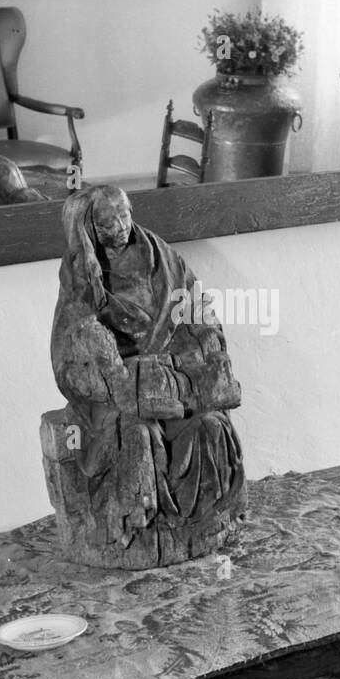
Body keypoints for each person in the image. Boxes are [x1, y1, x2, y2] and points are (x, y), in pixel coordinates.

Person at [49, 185, 246, 566]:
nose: (121, 226)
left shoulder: (165, 261)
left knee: (210, 426)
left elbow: (199, 315)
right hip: (115, 399)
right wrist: (115, 377)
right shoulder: (81, 280)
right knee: (139, 434)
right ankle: (135, 527)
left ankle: (202, 522)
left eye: (125, 214)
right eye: (108, 223)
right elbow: (68, 355)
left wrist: (203, 357)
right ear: (90, 229)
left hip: (174, 380)